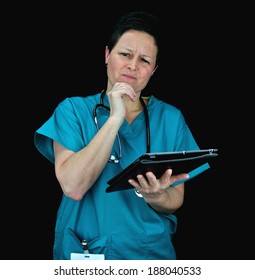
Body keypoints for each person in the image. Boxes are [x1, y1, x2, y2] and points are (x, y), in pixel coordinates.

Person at [34, 10, 209, 260]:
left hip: (149, 255)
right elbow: (73, 186)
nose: (133, 66)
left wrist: (157, 195)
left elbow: (175, 199)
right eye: (125, 54)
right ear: (107, 55)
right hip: (86, 252)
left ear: (154, 70)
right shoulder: (72, 110)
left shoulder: (170, 119)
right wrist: (115, 117)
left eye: (145, 60)